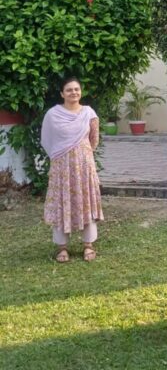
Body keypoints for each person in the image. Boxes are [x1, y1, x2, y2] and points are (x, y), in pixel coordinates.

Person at [41, 77, 102, 263]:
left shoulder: (89, 113)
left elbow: (94, 140)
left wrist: (82, 154)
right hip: (61, 167)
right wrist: (61, 155)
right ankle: (62, 248)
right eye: (69, 90)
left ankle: (88, 245)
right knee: (62, 201)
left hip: (84, 166)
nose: (73, 92)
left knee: (86, 201)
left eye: (76, 89)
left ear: (81, 92)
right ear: (62, 94)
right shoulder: (52, 115)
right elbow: (46, 139)